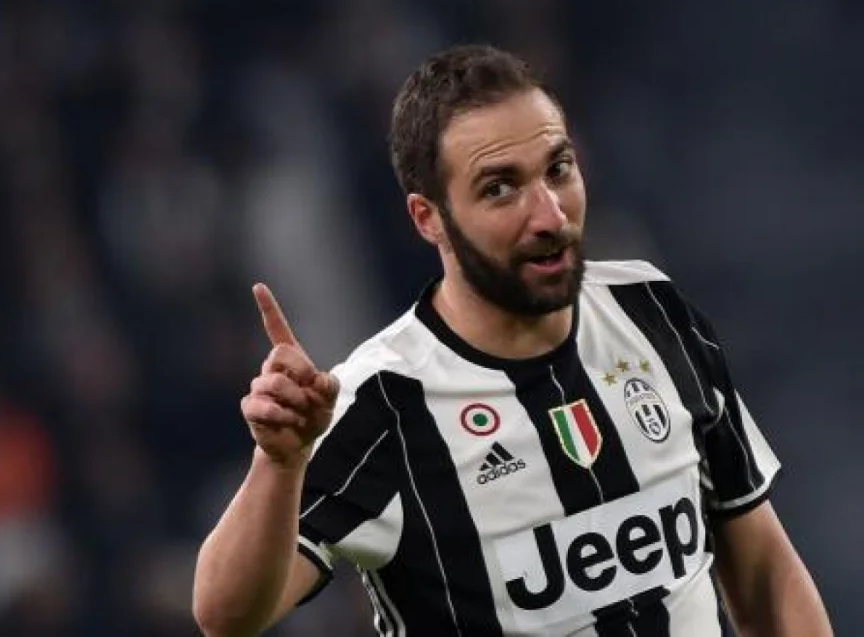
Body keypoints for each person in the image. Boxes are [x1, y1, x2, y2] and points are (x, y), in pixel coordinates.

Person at [191, 44, 833, 637]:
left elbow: (764, 572)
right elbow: (226, 615)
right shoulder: (384, 398)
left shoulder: (653, 312)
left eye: (559, 168)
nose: (549, 215)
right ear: (429, 218)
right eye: (499, 188)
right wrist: (279, 464)